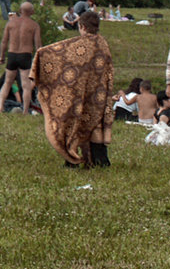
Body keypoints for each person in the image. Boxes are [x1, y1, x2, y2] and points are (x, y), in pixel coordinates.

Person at [30, 10, 114, 168]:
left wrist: (41, 55)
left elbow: (60, 53)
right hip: (99, 94)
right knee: (96, 125)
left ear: (82, 26)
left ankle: (72, 160)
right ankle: (100, 160)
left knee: (74, 123)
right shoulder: (102, 44)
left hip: (80, 95)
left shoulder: (80, 45)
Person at [2, 1, 42, 114]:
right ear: (32, 12)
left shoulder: (10, 23)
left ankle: (0, 106)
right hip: (25, 55)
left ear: (20, 11)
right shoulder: (34, 25)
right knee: (26, 86)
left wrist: (2, 56)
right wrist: (38, 59)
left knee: (7, 83)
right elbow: (38, 45)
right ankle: (25, 110)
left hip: (12, 54)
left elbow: (4, 41)